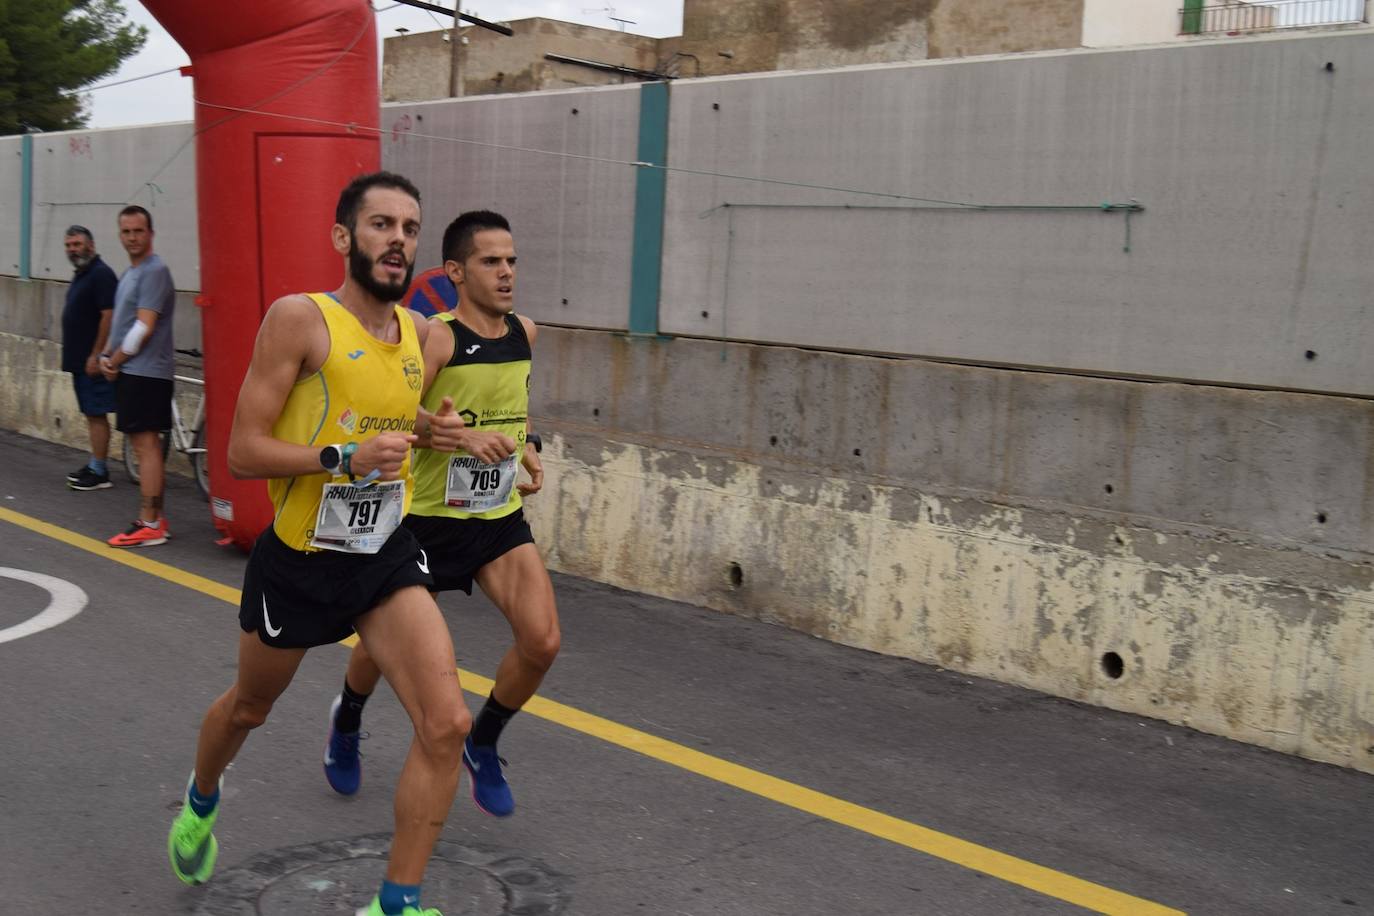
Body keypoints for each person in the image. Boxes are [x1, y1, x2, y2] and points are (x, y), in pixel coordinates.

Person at [164, 172, 470, 916]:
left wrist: (448, 433)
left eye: (408, 227)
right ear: (344, 238)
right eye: (380, 225)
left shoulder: (422, 338)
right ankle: (202, 799)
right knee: (249, 709)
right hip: (300, 562)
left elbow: (393, 418)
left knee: (448, 722)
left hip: (382, 554)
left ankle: (394, 905)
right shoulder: (301, 320)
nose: (397, 239)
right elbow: (241, 452)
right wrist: (341, 460)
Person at [323, 210, 559, 821]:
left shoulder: (525, 333)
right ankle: (347, 717)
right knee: (382, 647)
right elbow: (392, 419)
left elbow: (511, 410)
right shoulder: (437, 338)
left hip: (496, 517)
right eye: (490, 261)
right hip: (425, 518)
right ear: (455, 271)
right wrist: (456, 438)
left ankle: (484, 742)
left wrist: (527, 446)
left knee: (542, 641)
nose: (506, 272)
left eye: (511, 261)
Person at [99, 205, 176, 546]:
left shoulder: (154, 271)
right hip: (133, 371)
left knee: (146, 447)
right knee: (143, 445)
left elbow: (143, 327)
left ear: (151, 234)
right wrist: (107, 357)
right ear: (120, 235)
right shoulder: (132, 272)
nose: (132, 237)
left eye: (138, 231)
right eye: (126, 232)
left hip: (146, 373)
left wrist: (113, 360)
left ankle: (149, 523)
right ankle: (154, 518)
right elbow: (124, 324)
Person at [59, 225, 119, 491]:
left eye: (77, 244)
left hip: (92, 362)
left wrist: (97, 354)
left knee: (96, 414)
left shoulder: (101, 274)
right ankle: (96, 462)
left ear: (90, 246)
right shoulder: (83, 273)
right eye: (69, 245)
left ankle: (99, 471)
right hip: (80, 361)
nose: (73, 249)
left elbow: (109, 315)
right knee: (90, 413)